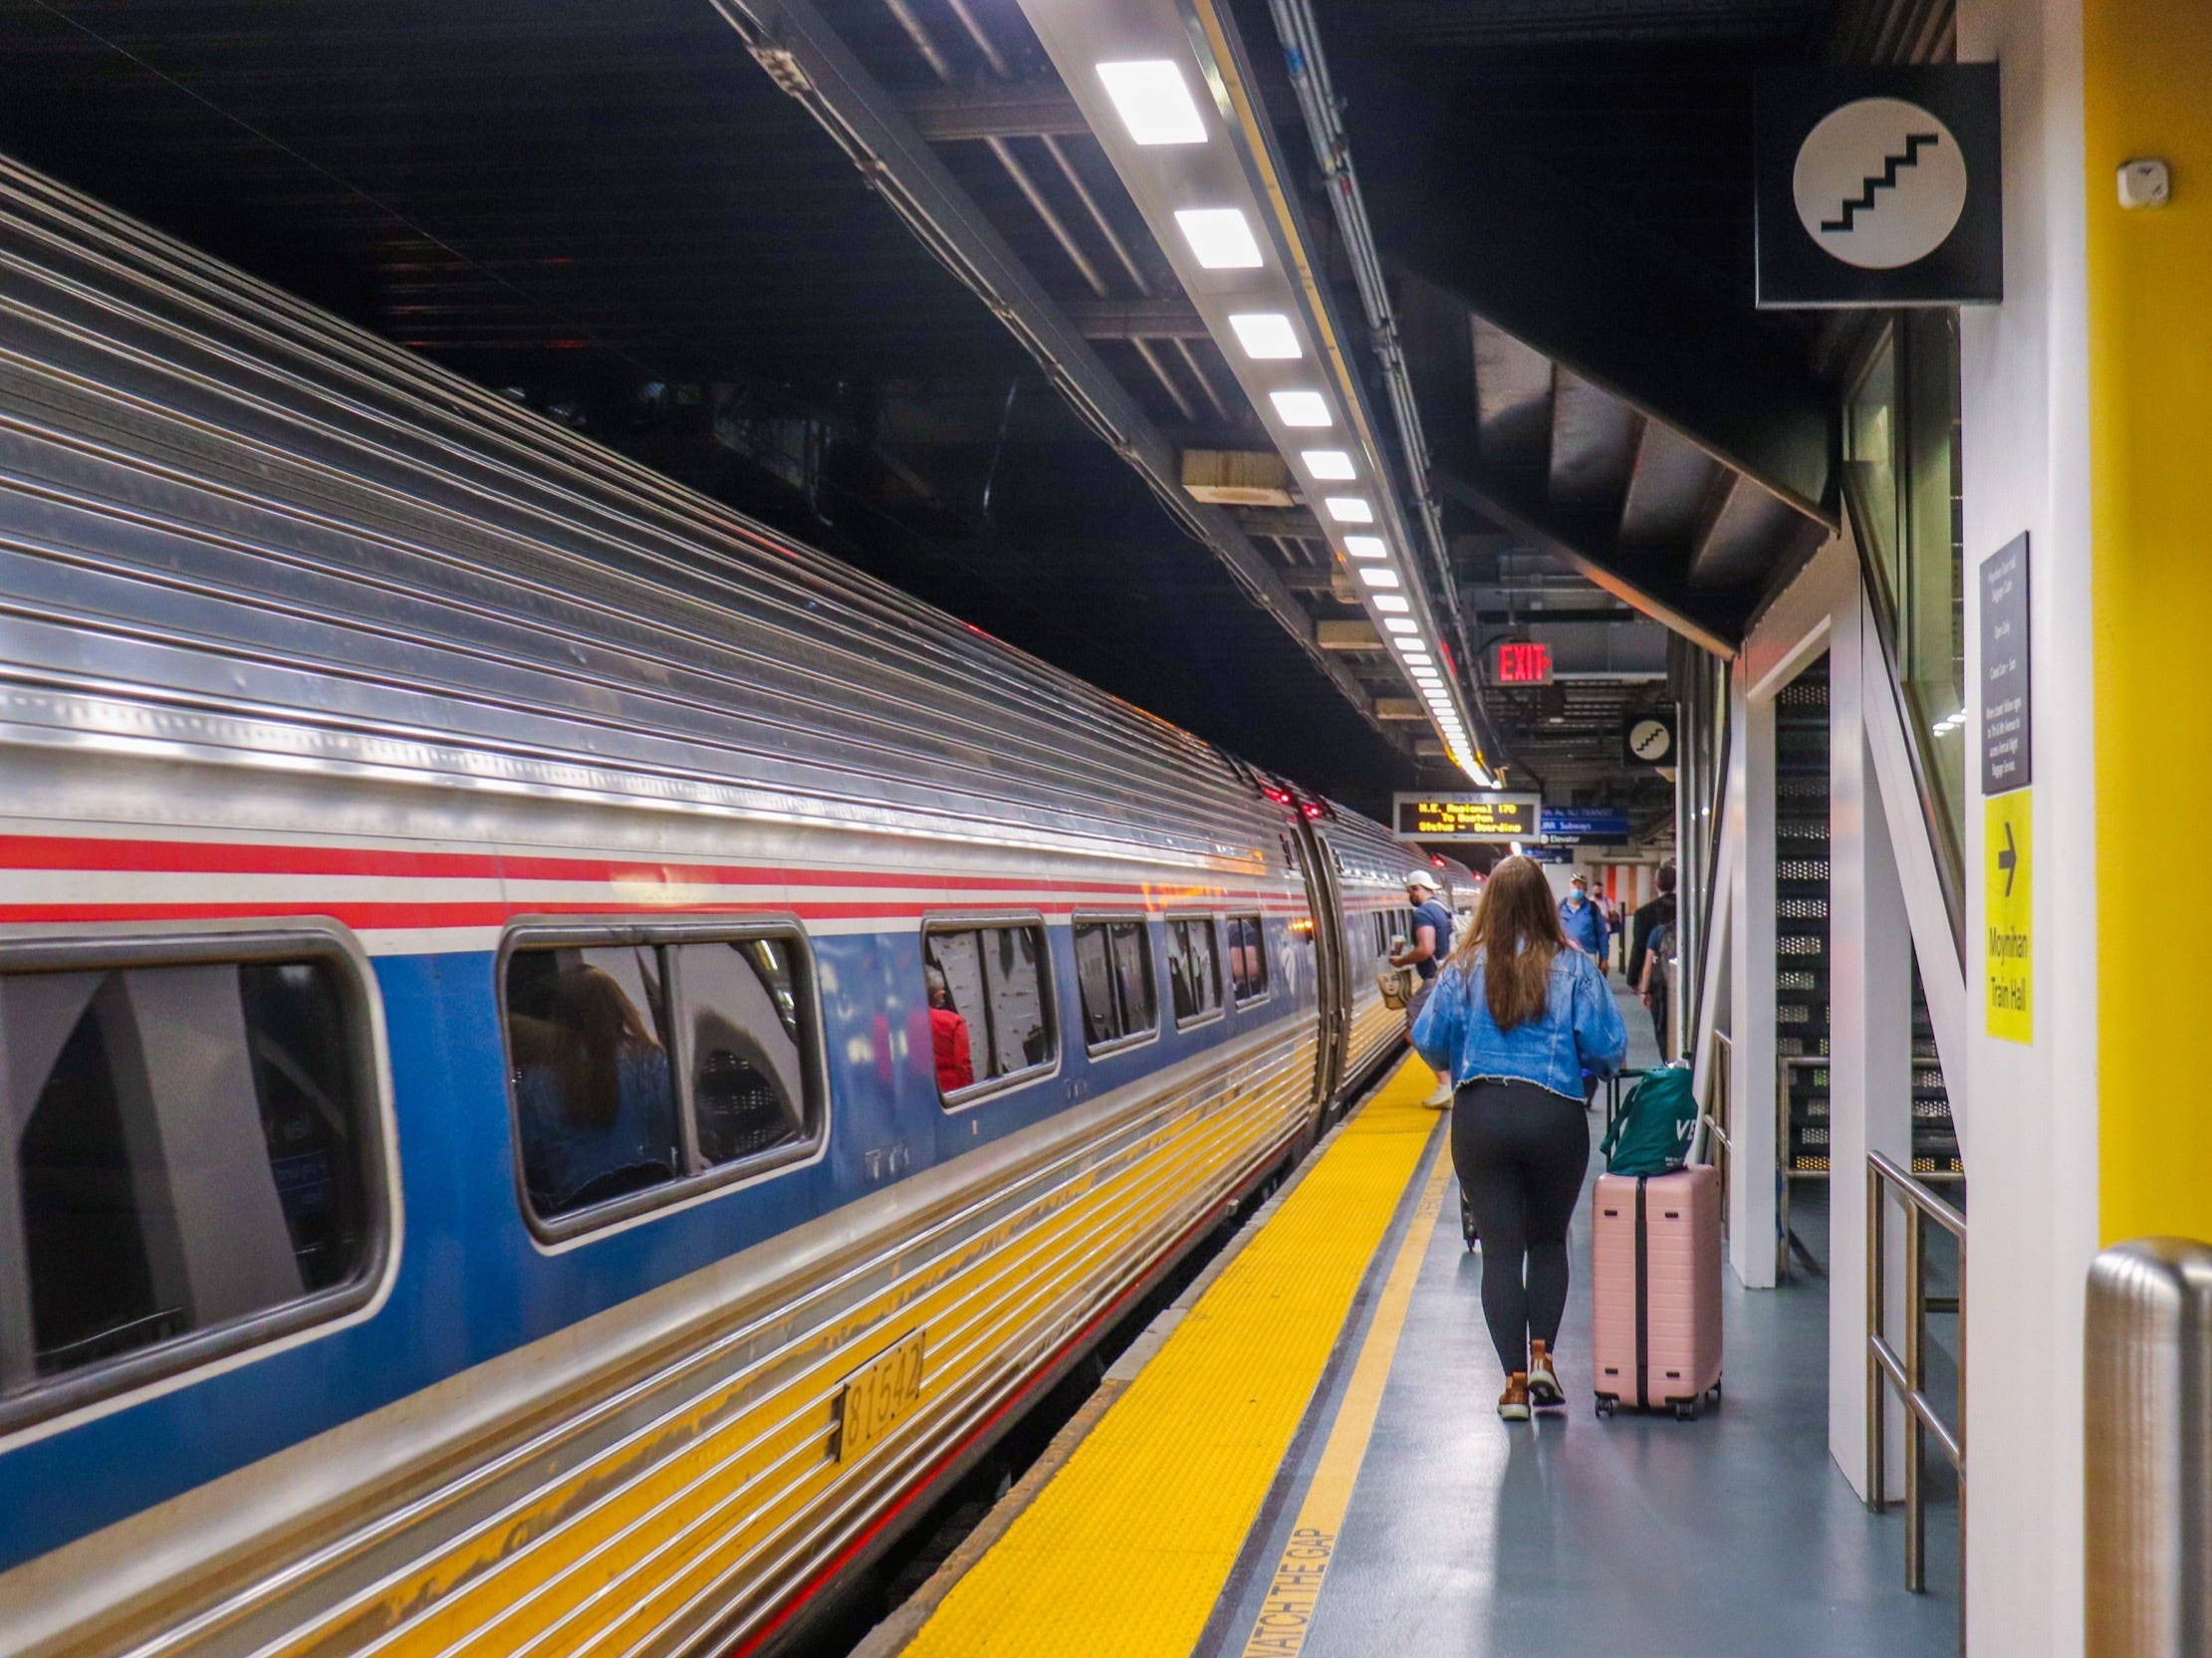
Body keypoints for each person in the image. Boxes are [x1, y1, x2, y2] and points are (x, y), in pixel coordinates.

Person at [1413, 854, 1625, 1422]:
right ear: (1544, 904)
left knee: (1501, 1253)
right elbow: (1608, 1051)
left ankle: (1511, 1388)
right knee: (1548, 1241)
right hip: (1554, 1115)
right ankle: (1542, 1359)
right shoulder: (1575, 968)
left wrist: (1464, 1056)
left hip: (1480, 1116)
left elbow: (1427, 1040)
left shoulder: (1460, 968)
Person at [1388, 868, 1458, 1107]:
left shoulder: (1423, 913)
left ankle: (1445, 1082)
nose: (1410, 896)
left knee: (1413, 1031)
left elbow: (1426, 948)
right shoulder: (1442, 909)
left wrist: (1402, 960)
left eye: (1410, 891)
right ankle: (1449, 1081)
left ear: (1417, 889)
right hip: (1449, 976)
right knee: (1440, 1031)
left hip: (1433, 979)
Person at [1627, 861, 1678, 1054]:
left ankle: (1668, 1062)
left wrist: (1634, 980)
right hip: (1687, 977)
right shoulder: (1688, 909)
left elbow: (1639, 946)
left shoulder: (1644, 913)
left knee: (1662, 1026)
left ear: (1656, 884)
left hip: (1659, 982)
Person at [926, 965, 974, 1093]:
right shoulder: (955, 1023)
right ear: (939, 994)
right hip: (953, 1096)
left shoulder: (897, 1022)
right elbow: (963, 1065)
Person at [1557, 871, 1609, 976]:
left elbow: (1602, 934)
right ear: (1570, 886)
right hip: (1564, 957)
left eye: (1581, 886)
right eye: (1575, 885)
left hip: (1587, 956)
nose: (1577, 888)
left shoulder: (1592, 908)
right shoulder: (1560, 908)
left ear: (1585, 889)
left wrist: (1604, 957)